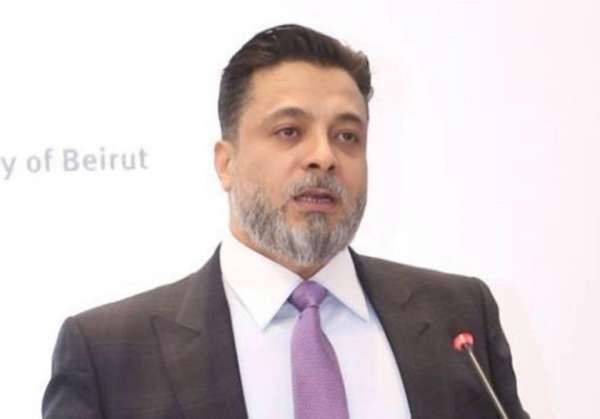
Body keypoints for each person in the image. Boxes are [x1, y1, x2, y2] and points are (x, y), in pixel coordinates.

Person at [42, 24, 529, 419]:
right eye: (289, 131)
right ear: (226, 163)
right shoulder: (109, 353)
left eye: (347, 136)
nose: (324, 156)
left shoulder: (458, 319)